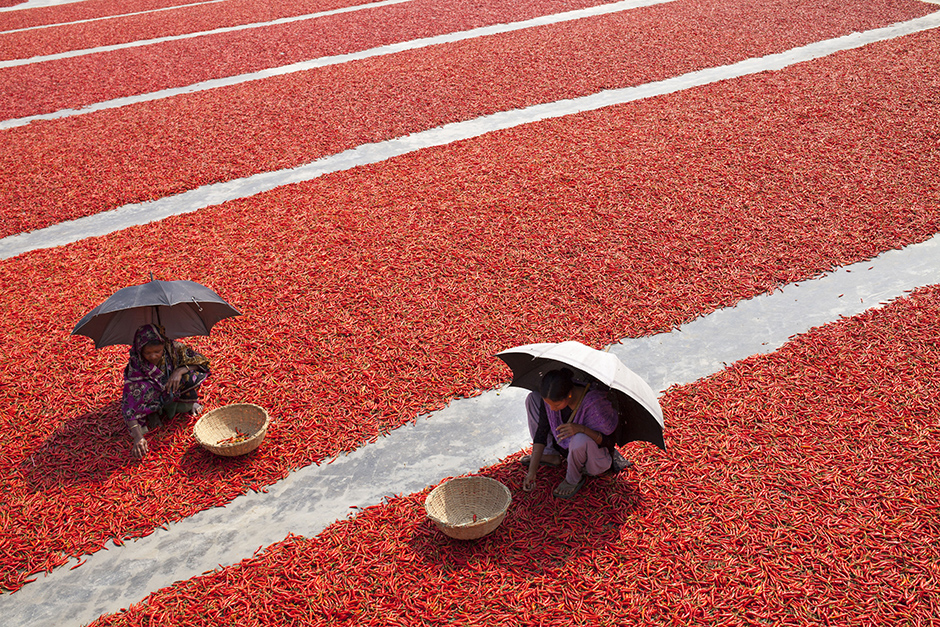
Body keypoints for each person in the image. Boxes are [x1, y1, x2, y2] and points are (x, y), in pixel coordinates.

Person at [521, 368, 619, 499]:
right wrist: (532, 471)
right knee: (533, 397)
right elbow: (542, 430)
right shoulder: (554, 400)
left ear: (569, 395)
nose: (552, 409)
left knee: (579, 439)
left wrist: (581, 429)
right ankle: (550, 455)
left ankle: (573, 479)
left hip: (594, 459)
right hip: (567, 450)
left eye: (556, 404)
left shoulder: (594, 405)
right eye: (549, 404)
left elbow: (609, 442)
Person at [121, 324, 210, 459]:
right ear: (139, 350)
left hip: (172, 390)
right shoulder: (136, 366)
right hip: (152, 397)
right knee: (142, 388)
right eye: (148, 353)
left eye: (158, 351)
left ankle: (188, 403)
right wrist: (138, 437)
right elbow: (129, 405)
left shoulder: (173, 348)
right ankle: (153, 412)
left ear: (163, 345)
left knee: (189, 375)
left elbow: (201, 362)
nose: (153, 356)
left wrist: (179, 370)